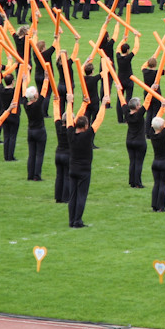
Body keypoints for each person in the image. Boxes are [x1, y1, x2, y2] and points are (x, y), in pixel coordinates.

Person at [65, 95, 108, 229]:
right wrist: (103, 105)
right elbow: (98, 120)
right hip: (84, 170)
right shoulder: (87, 135)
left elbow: (68, 120)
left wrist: (70, 102)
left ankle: (72, 220)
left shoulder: (70, 133)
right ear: (85, 126)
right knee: (81, 196)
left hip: (72, 168)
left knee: (73, 196)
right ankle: (77, 221)